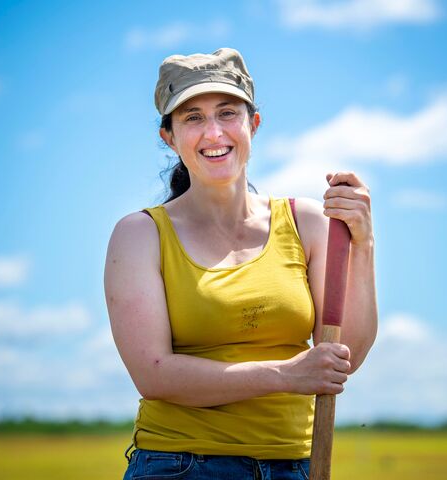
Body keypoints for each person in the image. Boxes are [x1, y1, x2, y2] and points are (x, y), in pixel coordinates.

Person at [104, 47, 378, 479]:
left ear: (253, 123)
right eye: (192, 117)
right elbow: (153, 374)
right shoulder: (140, 235)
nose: (213, 133)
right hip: (181, 465)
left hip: (295, 466)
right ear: (170, 138)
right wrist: (286, 374)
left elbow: (345, 355)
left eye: (227, 113)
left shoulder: (306, 221)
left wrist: (362, 244)